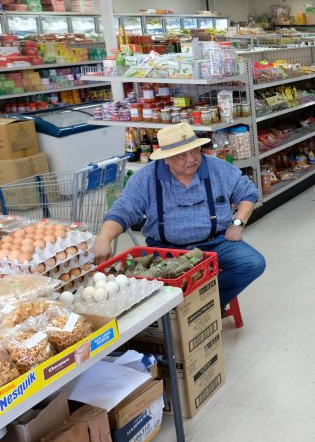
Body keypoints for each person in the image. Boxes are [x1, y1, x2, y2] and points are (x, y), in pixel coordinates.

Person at [93, 122, 266, 308]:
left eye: (194, 151)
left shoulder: (219, 169)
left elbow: (248, 193)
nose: (191, 159)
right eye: (181, 155)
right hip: (165, 250)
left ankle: (206, 305)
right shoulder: (145, 179)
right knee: (138, 284)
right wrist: (104, 238)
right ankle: (186, 310)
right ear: (166, 158)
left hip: (215, 244)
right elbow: (123, 211)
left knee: (252, 263)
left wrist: (237, 223)